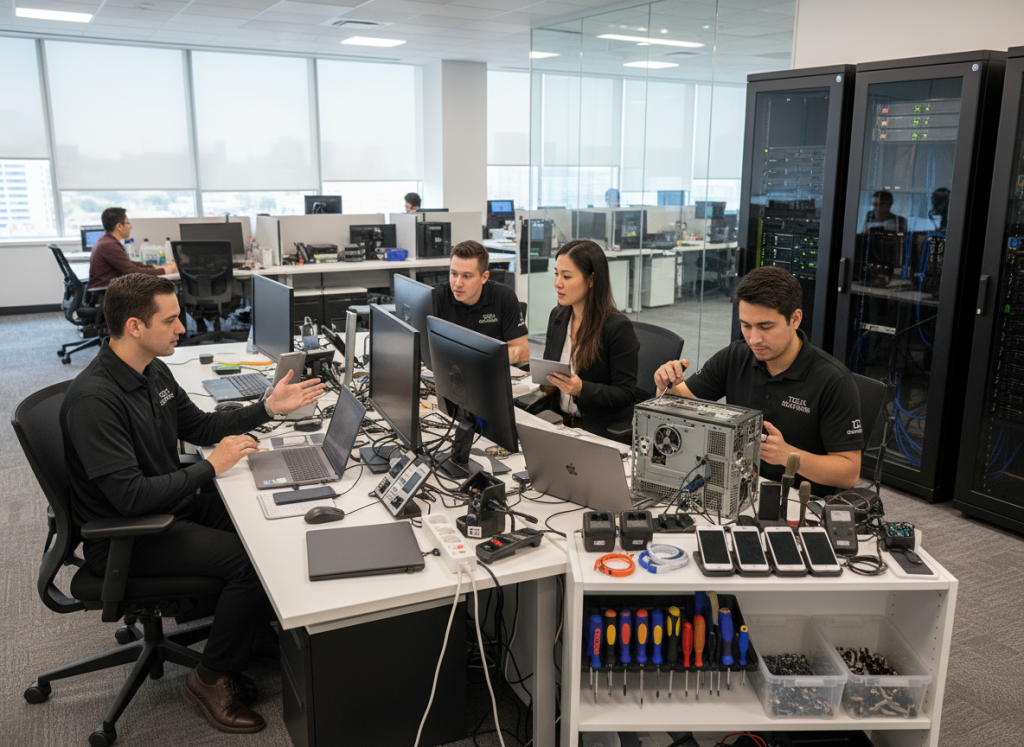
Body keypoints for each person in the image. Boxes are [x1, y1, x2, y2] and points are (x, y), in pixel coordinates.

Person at [60, 274, 325, 734]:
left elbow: (200, 427)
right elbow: (130, 497)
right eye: (170, 320)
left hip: (169, 504)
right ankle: (208, 678)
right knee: (250, 562)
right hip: (130, 532)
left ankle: (247, 632)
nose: (182, 328)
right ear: (135, 326)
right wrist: (212, 467)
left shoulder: (151, 369)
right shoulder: (95, 401)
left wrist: (268, 408)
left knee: (267, 525)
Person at [654, 266, 862, 494]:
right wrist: (667, 386)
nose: (754, 339)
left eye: (765, 327)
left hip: (798, 500)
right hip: (734, 487)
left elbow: (849, 474)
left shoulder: (833, 380)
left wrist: (789, 456)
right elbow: (681, 405)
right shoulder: (735, 356)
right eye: (746, 326)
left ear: (795, 319)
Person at [534, 239, 639, 442]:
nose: (558, 283)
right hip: (558, 422)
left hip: (595, 431)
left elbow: (626, 394)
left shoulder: (617, 327)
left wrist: (582, 389)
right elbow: (550, 368)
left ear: (591, 280)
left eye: (566, 276)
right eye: (556, 274)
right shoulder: (557, 317)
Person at [432, 240, 530, 364]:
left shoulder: (504, 296)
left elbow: (523, 351)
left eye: (467, 276)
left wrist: (482, 360)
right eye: (454, 274)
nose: (458, 283)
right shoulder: (435, 296)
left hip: (489, 369)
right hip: (447, 369)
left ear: (484, 277)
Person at [88, 207, 177, 290]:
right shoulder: (108, 245)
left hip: (110, 290)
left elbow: (129, 265)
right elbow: (132, 271)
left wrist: (154, 267)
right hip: (106, 294)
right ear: (119, 226)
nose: (130, 227)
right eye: (128, 223)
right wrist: (164, 271)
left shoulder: (106, 241)